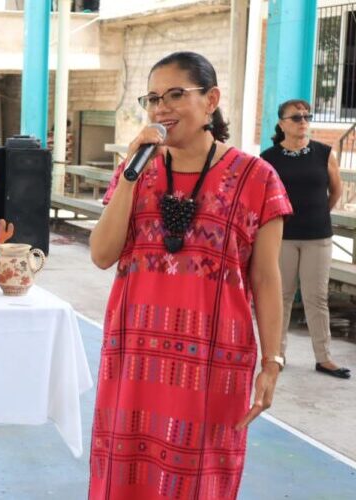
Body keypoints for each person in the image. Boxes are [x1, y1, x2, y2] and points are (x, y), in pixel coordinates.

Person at [88, 51, 291, 499]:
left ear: (211, 100)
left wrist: (272, 363)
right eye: (154, 98)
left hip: (213, 364)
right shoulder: (135, 171)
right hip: (134, 356)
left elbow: (267, 280)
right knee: (126, 480)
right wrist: (128, 174)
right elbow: (102, 254)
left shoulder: (258, 178)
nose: (161, 108)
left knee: (202, 481)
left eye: (176, 94)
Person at [260, 99, 349, 380]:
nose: (303, 122)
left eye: (306, 117)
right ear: (282, 123)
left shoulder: (324, 153)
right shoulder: (269, 158)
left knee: (316, 298)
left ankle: (324, 358)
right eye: (296, 117)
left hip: (317, 235)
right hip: (283, 237)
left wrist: (319, 212)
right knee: (282, 297)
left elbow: (335, 191)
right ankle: (277, 355)